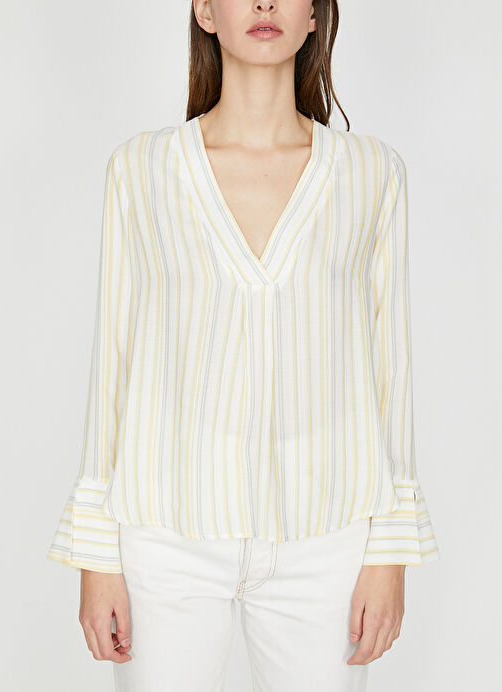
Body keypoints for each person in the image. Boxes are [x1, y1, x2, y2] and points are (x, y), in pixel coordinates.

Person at [46, 1, 440, 690]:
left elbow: (391, 370)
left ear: (314, 16)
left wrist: (389, 549)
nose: (264, 4)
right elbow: (112, 365)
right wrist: (97, 552)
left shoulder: (372, 173)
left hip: (328, 537)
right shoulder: (141, 169)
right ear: (205, 10)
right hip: (164, 534)